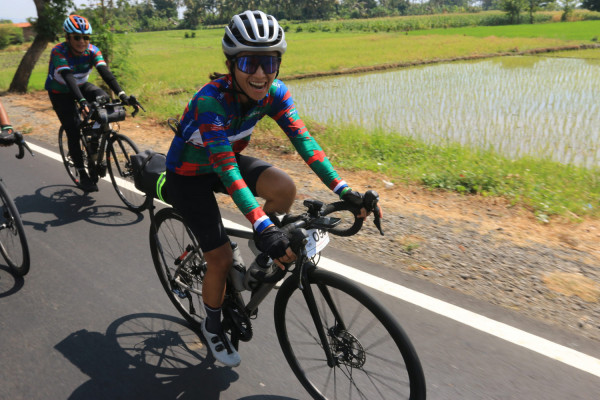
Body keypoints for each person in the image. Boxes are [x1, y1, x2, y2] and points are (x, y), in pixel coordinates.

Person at [165, 10, 377, 367]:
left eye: (269, 62)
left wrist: (345, 190)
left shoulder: (275, 93)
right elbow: (227, 171)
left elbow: (305, 143)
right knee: (220, 259)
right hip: (189, 174)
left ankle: (263, 257)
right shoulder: (210, 101)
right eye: (249, 62)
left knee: (284, 188)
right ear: (231, 65)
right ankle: (212, 326)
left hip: (224, 161)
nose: (261, 74)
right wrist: (264, 226)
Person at [45, 15, 135, 192]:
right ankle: (82, 172)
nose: (82, 41)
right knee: (73, 129)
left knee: (104, 99)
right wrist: (82, 102)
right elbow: (68, 78)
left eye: (86, 37)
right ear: (67, 38)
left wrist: (122, 94)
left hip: (81, 85)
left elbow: (105, 73)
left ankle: (94, 138)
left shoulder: (93, 50)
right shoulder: (59, 51)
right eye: (77, 37)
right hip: (60, 92)